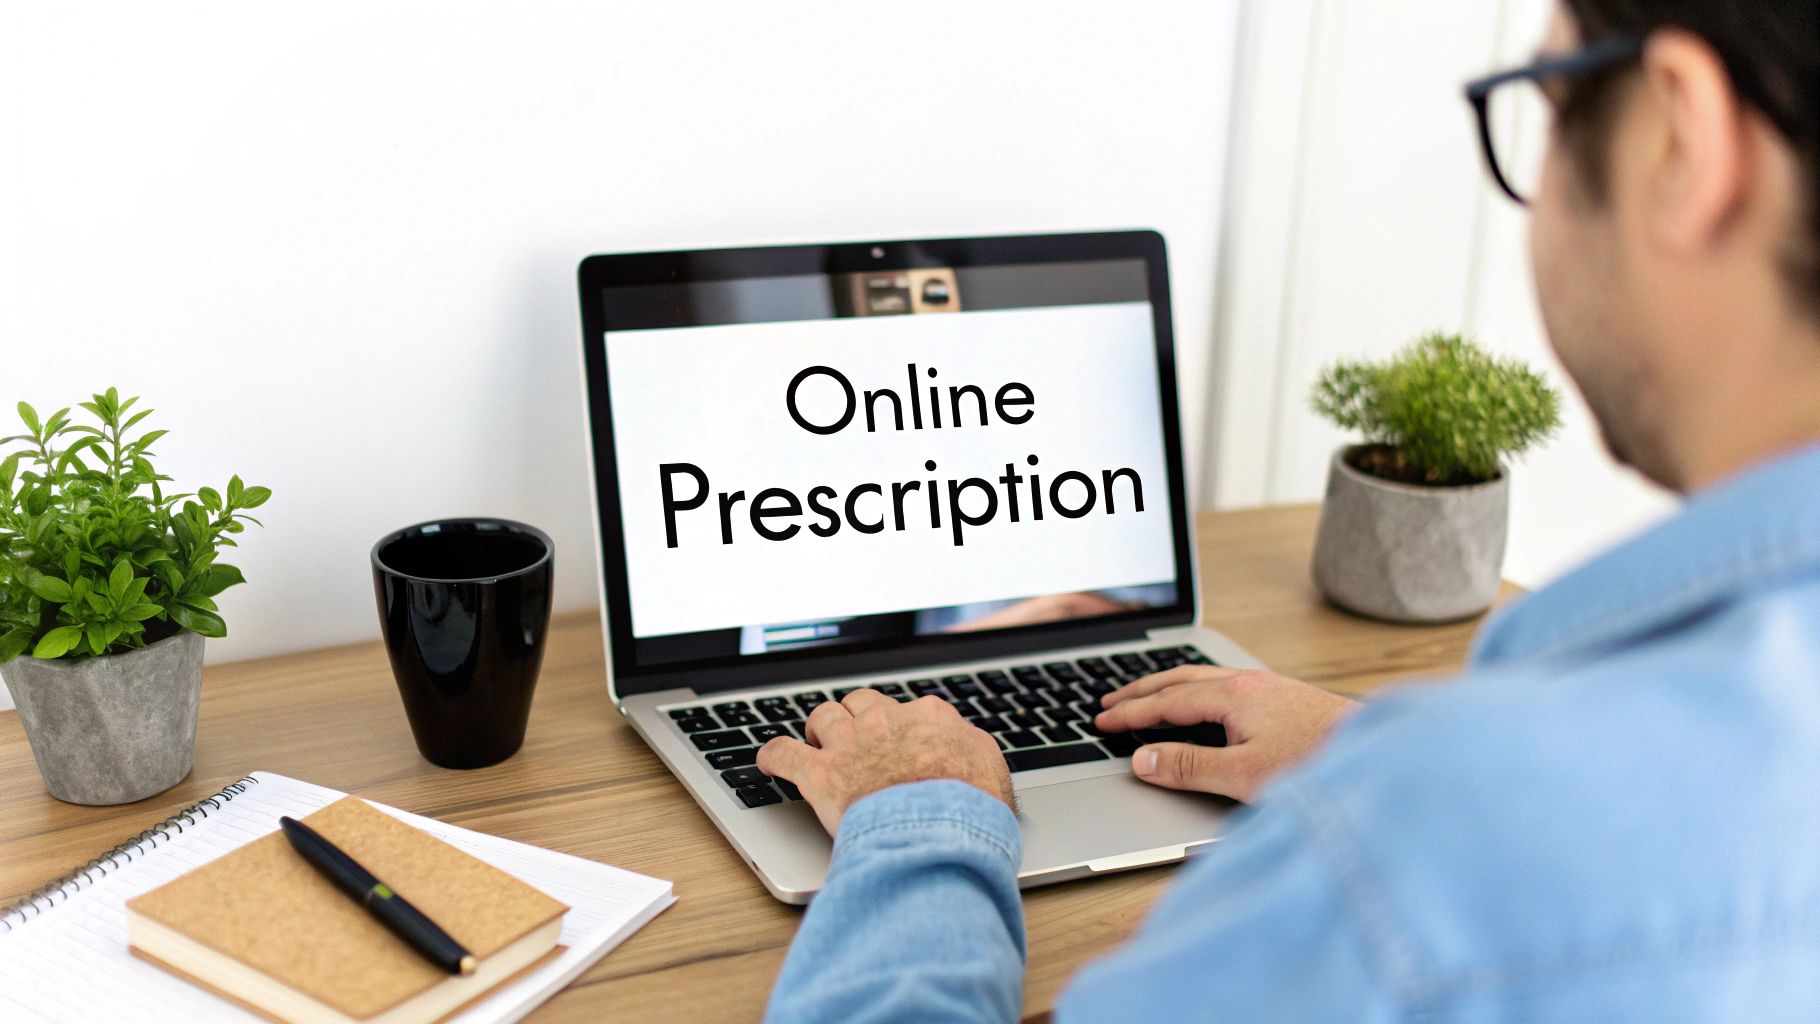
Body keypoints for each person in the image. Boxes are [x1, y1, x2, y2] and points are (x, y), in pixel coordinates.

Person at [758, 0, 1820, 1017]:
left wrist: (918, 816)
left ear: (1680, 137)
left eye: (1544, 102)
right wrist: (1369, 751)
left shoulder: (1421, 863)